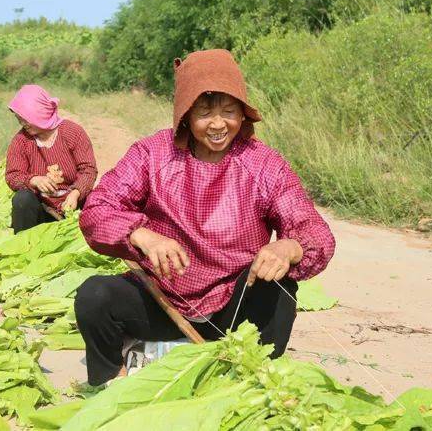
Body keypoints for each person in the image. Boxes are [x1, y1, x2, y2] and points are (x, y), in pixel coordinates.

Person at [74, 49, 336, 387]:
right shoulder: (152, 154)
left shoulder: (264, 164)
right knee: (95, 295)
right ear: (185, 114)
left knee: (279, 284)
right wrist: (142, 235)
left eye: (229, 111)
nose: (217, 124)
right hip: (163, 300)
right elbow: (98, 208)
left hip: (233, 310)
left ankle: (248, 378)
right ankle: (110, 382)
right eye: (204, 112)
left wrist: (288, 248)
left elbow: (314, 230)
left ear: (243, 114)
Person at [5, 84, 98, 233]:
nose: (22, 124)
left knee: (99, 200)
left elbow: (88, 169)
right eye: (19, 119)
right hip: (42, 208)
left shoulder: (72, 132)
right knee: (22, 199)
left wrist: (76, 193)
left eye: (25, 119)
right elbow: (12, 175)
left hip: (74, 205)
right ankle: (25, 246)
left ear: (39, 113)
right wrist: (34, 180)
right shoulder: (21, 141)